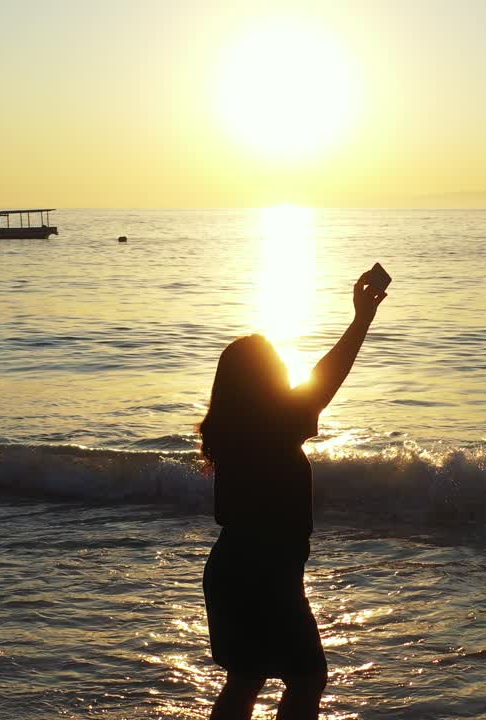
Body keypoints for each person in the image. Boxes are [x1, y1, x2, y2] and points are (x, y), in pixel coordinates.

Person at [199, 272, 387, 720]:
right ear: (266, 380)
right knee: (306, 677)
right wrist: (362, 319)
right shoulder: (278, 424)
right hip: (267, 574)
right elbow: (330, 374)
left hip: (232, 570)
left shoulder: (227, 431)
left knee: (245, 679)